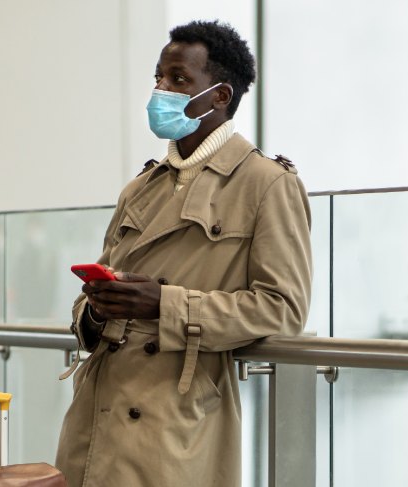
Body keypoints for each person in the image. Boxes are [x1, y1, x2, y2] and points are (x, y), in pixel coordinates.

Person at [55, 20, 312, 486]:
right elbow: (85, 308)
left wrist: (164, 304)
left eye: (178, 80)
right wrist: (95, 308)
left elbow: (283, 308)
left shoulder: (267, 184)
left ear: (219, 96)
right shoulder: (140, 189)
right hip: (96, 417)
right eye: (158, 77)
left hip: (176, 421)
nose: (160, 90)